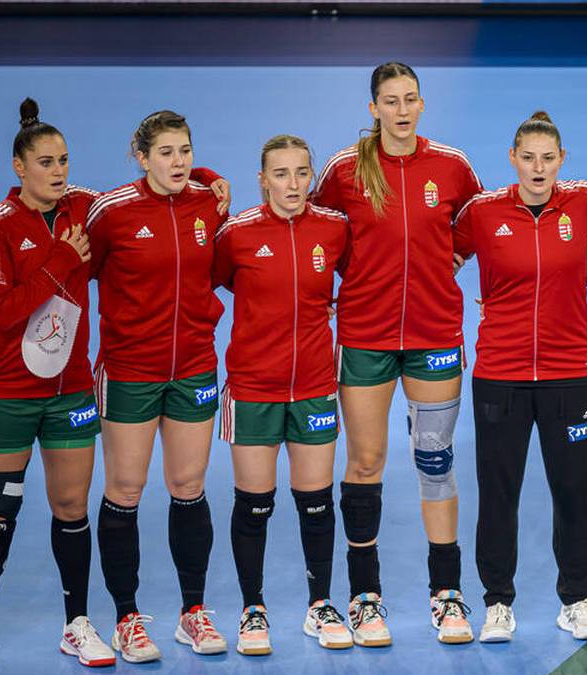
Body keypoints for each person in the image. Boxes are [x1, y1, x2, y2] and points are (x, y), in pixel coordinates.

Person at [312, 61, 483, 644]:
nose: (402, 110)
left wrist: (451, 260)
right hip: (365, 337)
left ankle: (447, 595)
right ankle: (365, 597)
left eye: (411, 99)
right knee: (365, 463)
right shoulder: (344, 170)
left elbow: (481, 223)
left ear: (422, 104)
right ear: (373, 109)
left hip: (435, 333)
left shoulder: (452, 166)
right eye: (390, 101)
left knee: (435, 461)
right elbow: (313, 229)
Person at [452, 111, 587, 644]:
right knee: (499, 492)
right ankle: (497, 602)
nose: (538, 168)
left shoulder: (585, 203)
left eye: (548, 158)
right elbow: (437, 258)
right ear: (513, 161)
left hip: (571, 374)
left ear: (562, 161)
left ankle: (578, 600)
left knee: (574, 492)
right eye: (528, 158)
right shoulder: (483, 213)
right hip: (501, 374)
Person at [87, 109, 232, 662]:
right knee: (125, 489)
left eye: (186, 151)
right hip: (129, 370)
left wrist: (207, 176)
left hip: (194, 364)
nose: (178, 161)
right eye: (166, 152)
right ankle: (126, 618)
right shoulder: (112, 212)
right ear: (141, 157)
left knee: (189, 485)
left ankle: (191, 613)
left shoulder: (206, 204)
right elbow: (82, 276)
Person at [212, 134, 350, 654]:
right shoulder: (238, 235)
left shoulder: (334, 229)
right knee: (254, 503)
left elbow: (355, 281)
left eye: (301, 173)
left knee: (316, 501)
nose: (293, 184)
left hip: (315, 387)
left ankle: (320, 605)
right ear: (262, 179)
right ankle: (253, 609)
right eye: (281, 174)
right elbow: (213, 281)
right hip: (252, 389)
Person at [0, 98, 114, 666]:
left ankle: (78, 623)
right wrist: (62, 261)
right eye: (46, 162)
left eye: (64, 160)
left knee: (72, 505)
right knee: (0, 511)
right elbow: (3, 313)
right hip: (10, 394)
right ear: (19, 167)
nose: (59, 171)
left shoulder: (84, 208)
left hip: (70, 393)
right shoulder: (0, 227)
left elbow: (142, 196)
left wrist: (212, 181)